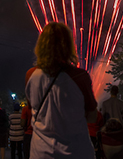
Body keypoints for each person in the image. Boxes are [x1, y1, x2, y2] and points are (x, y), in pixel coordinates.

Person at [25, 22, 97, 157]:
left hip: (41, 152)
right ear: (68, 46)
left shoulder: (30, 75)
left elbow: (32, 110)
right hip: (76, 151)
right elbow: (92, 116)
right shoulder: (79, 77)